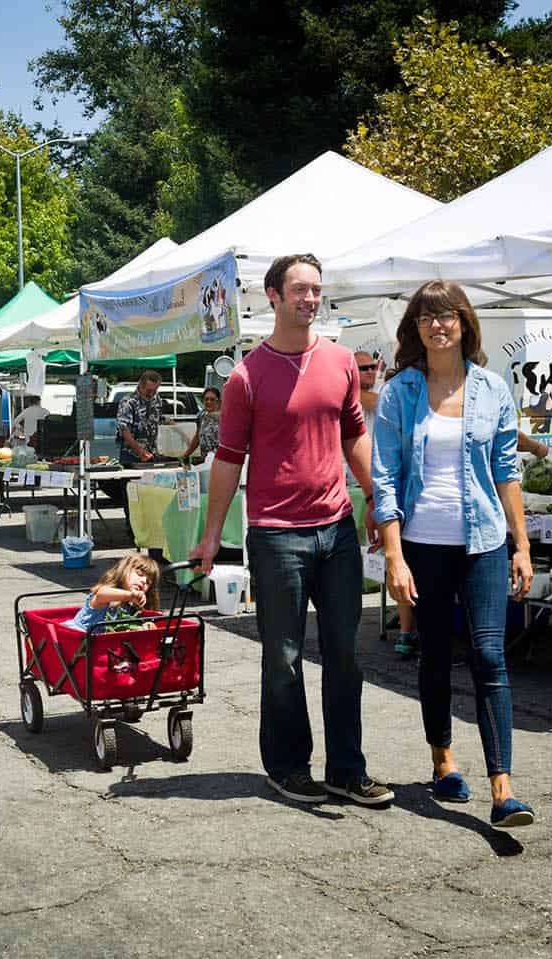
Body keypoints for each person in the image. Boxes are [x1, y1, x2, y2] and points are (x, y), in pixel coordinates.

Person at [189, 253, 392, 807]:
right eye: (299, 289)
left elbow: (354, 435)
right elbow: (229, 458)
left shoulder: (341, 361)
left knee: (346, 653)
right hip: (277, 534)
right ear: (273, 296)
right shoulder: (246, 376)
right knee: (282, 655)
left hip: (337, 529)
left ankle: (346, 770)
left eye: (316, 289)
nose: (310, 298)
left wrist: (376, 496)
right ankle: (288, 766)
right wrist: (211, 535)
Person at [370, 280, 536, 830]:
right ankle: (443, 760)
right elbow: (386, 477)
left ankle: (503, 789)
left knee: (490, 655)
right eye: (426, 318)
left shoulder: (493, 389)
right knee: (436, 654)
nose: (437, 325)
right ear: (415, 329)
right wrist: (394, 556)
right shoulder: (401, 392)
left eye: (447, 317)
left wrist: (522, 543)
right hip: (423, 544)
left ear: (465, 323)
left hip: (483, 541)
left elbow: (507, 471)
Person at [355, 348, 419, 658]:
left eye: (372, 367)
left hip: (396, 486)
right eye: (362, 368)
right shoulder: (361, 397)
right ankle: (407, 630)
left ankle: (410, 628)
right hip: (375, 485)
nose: (369, 372)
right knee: (397, 558)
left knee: (403, 558)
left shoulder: (381, 397)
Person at [64, 555, 159, 631]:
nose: (143, 581)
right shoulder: (107, 596)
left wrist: (146, 625)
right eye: (140, 574)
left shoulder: (131, 607)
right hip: (76, 640)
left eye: (148, 582)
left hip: (104, 648)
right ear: (123, 571)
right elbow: (101, 594)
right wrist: (130, 595)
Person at [116, 370, 162, 466]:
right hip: (131, 455)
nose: (152, 394)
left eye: (155, 390)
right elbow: (124, 429)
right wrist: (140, 451)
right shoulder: (128, 402)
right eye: (149, 391)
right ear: (140, 385)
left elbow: (158, 419)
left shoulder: (157, 399)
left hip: (152, 453)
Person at [185, 386, 221, 463]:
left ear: (218, 401)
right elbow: (197, 436)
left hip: (219, 459)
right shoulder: (201, 415)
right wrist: (186, 454)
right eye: (206, 399)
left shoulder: (224, 417)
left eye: (212, 400)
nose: (209, 402)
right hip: (204, 460)